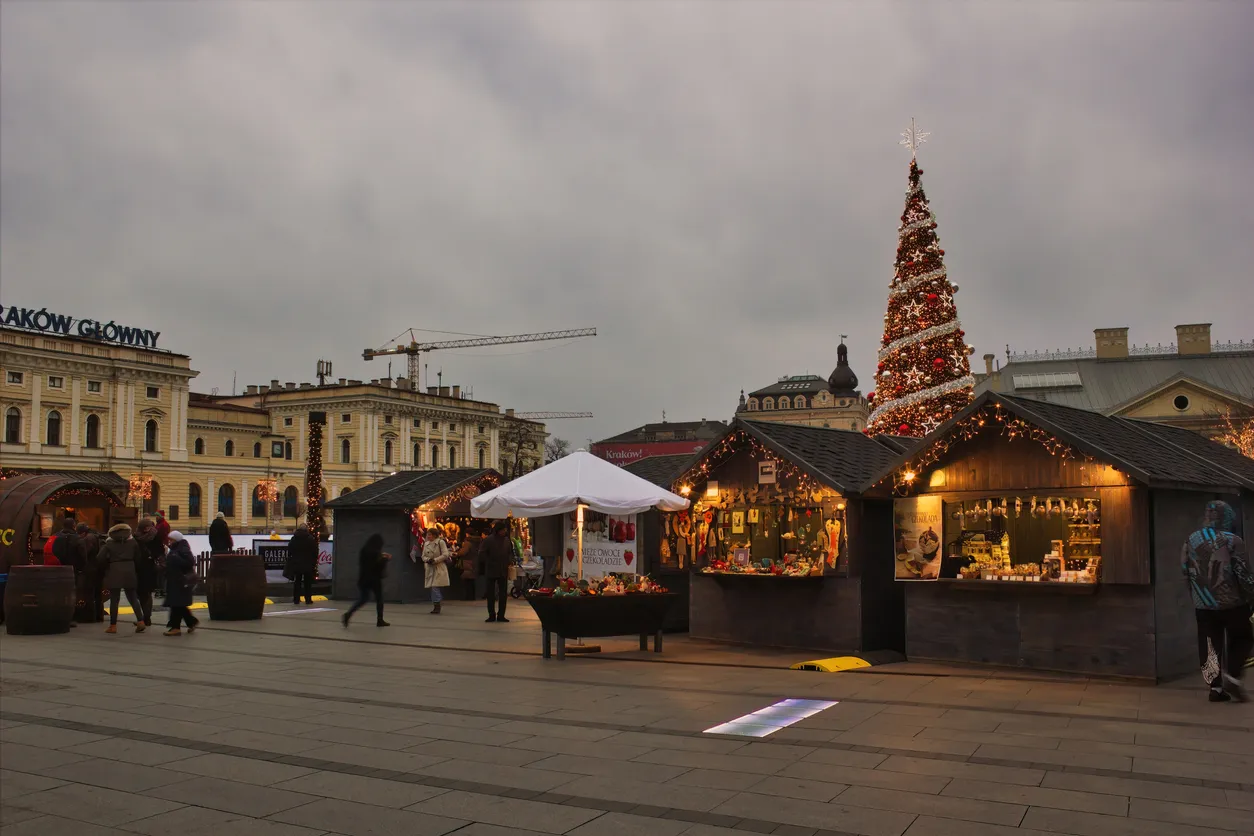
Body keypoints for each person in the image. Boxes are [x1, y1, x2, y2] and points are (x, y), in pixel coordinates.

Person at [1183, 499, 1254, 702]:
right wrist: (1251, 596)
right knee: (1243, 638)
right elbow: (1244, 574)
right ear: (1227, 518)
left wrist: (1195, 595)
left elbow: (1185, 570)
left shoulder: (1190, 540)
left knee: (1209, 645)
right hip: (1232, 603)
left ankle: (1215, 688)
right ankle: (1232, 676)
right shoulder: (1233, 540)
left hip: (1203, 604)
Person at [99, 523, 146, 634]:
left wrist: (107, 567)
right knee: (133, 597)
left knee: (114, 599)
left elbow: (100, 557)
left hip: (114, 570)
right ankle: (141, 621)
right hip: (130, 569)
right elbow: (138, 558)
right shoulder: (133, 542)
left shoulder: (109, 543)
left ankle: (113, 626)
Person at [343, 533, 389, 627]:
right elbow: (378, 566)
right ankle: (380, 620)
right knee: (379, 599)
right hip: (374, 579)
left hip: (363, 579)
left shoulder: (364, 550)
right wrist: (385, 559)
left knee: (363, 599)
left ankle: (349, 614)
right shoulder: (376, 553)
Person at [163, 531, 199, 636]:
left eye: (171, 539)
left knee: (176, 604)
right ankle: (191, 622)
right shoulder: (175, 549)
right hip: (174, 580)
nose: (169, 541)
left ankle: (176, 628)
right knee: (178, 604)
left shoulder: (183, 549)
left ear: (176, 540)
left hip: (180, 581)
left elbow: (190, 562)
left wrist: (175, 558)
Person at [52, 517, 85, 627]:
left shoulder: (56, 537)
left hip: (60, 568)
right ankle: (71, 617)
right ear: (74, 526)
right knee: (72, 594)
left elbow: (54, 551)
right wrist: (81, 567)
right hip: (73, 570)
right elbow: (82, 555)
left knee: (59, 593)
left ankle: (58, 615)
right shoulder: (77, 539)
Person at [479, 521, 514, 623]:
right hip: (491, 569)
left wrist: (510, 561)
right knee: (491, 594)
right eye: (503, 530)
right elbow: (482, 554)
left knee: (503, 594)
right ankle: (491, 614)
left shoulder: (507, 540)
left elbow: (510, 552)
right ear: (498, 530)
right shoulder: (488, 540)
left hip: (503, 569)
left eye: (505, 530)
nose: (504, 531)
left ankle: (501, 615)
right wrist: (489, 562)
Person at [134, 519, 163, 628]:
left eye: (149, 526)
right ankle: (145, 617)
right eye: (145, 527)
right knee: (140, 594)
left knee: (147, 593)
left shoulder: (155, 536)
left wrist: (152, 556)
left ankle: (146, 618)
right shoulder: (136, 537)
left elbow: (160, 550)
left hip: (150, 568)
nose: (147, 528)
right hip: (139, 568)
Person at [77, 523, 104, 622]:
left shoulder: (88, 539)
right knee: (98, 594)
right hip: (99, 569)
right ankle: (99, 616)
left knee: (89, 593)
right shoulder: (97, 536)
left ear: (83, 532)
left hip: (90, 569)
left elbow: (84, 554)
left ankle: (90, 617)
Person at [422, 526, 451, 614]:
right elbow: (423, 556)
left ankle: (437, 605)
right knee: (433, 587)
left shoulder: (440, 542)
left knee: (435, 586)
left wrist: (435, 560)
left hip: (439, 567)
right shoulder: (426, 544)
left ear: (435, 535)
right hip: (429, 568)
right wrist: (428, 560)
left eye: (430, 535)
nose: (428, 536)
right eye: (428, 535)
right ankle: (436, 604)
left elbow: (445, 554)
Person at [287, 524, 319, 605]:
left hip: (297, 563)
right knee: (307, 583)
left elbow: (290, 550)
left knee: (297, 581)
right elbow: (315, 551)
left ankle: (296, 599)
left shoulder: (294, 538)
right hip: (308, 564)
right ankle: (308, 599)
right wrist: (313, 562)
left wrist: (293, 559)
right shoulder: (310, 539)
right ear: (306, 529)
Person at [456, 533, 480, 600]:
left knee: (467, 581)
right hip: (474, 562)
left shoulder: (468, 543)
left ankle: (467, 597)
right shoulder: (477, 542)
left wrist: (457, 553)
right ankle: (472, 596)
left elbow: (462, 552)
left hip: (468, 562)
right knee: (471, 581)